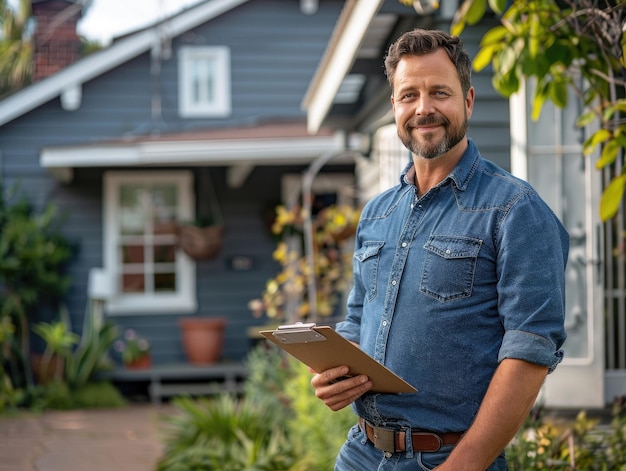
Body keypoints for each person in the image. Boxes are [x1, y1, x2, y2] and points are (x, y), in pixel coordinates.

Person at [310, 28, 569, 471]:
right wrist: (332, 375)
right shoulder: (376, 214)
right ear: (394, 107)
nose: (423, 108)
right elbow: (358, 319)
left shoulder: (514, 209)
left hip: (451, 457)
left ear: (467, 101)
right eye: (408, 95)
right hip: (360, 453)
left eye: (439, 93)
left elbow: (530, 351)